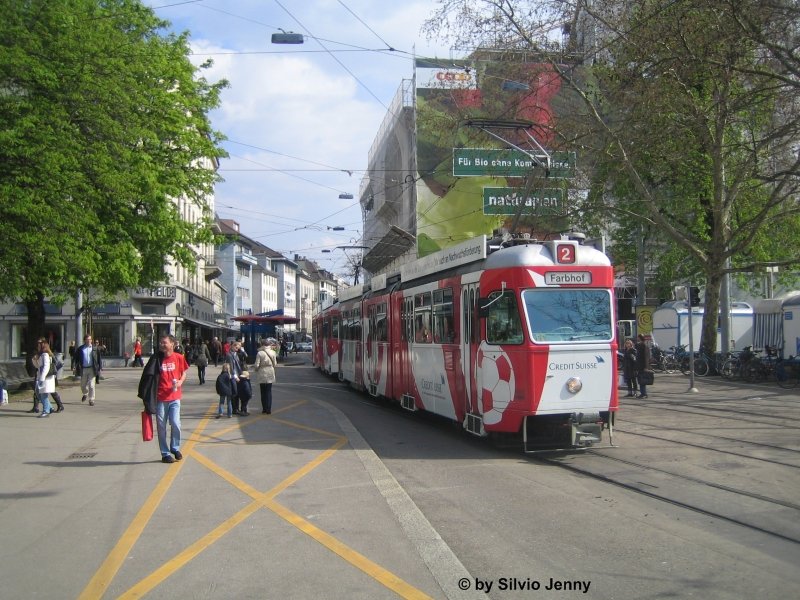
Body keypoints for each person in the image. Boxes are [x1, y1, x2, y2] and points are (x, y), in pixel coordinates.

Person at [137, 334, 188, 464]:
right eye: (161, 343)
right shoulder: (157, 359)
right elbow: (148, 376)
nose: (162, 345)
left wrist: (180, 382)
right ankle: (165, 453)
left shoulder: (179, 358)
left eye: (164, 342)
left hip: (175, 397)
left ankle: (175, 448)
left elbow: (184, 373)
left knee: (176, 423)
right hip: (160, 398)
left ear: (172, 344)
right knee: (161, 426)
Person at [74, 334, 103, 406]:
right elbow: (76, 358)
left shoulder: (95, 348)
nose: (89, 341)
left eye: (90, 339)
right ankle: (85, 393)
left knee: (91, 385)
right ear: (84, 340)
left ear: (91, 340)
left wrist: (100, 368)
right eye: (87, 339)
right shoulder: (80, 349)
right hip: (83, 368)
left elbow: (99, 358)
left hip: (92, 369)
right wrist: (74, 366)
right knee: (83, 385)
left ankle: (91, 400)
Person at [253, 339, 278, 414]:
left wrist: (256, 369)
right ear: (269, 345)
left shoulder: (260, 353)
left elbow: (256, 365)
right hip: (270, 371)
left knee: (263, 391)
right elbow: (275, 364)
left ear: (262, 345)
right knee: (269, 391)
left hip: (262, 372)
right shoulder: (273, 352)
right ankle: (269, 409)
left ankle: (264, 408)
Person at [35, 340, 57, 417]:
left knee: (43, 395)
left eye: (39, 345)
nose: (38, 347)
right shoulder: (41, 355)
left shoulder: (45, 355)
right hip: (42, 377)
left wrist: (42, 378)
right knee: (39, 394)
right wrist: (34, 360)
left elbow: (46, 367)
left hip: (45, 378)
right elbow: (38, 366)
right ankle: (50, 407)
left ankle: (46, 411)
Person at [225, 341, 244, 414]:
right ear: (232, 346)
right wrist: (235, 376)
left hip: (238, 375)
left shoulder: (235, 354)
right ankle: (234, 409)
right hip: (233, 376)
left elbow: (242, 361)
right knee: (234, 392)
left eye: (238, 348)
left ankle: (236, 408)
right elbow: (231, 368)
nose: (237, 349)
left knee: (237, 393)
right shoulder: (229, 355)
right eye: (236, 347)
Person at [635, 334, 651, 399]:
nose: (637, 338)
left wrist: (646, 367)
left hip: (642, 366)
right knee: (640, 380)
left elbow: (646, 357)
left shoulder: (644, 345)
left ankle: (644, 394)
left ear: (640, 338)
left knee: (642, 380)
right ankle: (643, 393)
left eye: (638, 337)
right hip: (639, 365)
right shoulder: (640, 345)